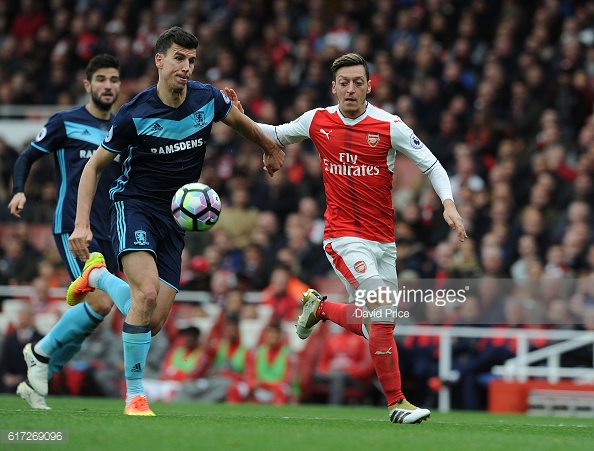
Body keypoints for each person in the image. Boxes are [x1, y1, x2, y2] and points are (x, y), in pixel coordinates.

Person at [229, 53, 466, 424]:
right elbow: (275, 134)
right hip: (343, 237)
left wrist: (448, 205)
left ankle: (320, 308)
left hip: (384, 242)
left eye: (358, 82)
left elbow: (432, 165)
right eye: (344, 82)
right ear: (334, 87)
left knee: (379, 325)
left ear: (370, 85)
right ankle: (397, 404)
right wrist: (240, 118)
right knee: (383, 310)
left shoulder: (390, 126)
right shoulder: (317, 120)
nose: (351, 89)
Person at [66, 26, 284, 416]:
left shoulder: (207, 99)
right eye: (179, 59)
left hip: (176, 218)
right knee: (145, 295)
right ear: (160, 61)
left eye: (192, 60)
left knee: (151, 323)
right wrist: (82, 224)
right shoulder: (135, 114)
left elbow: (239, 122)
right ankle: (135, 395)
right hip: (134, 206)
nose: (186, 67)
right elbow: (93, 168)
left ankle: (96, 277)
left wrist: (269, 147)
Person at [7, 54, 122, 410]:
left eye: (114, 80)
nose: (108, 86)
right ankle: (39, 352)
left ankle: (37, 378)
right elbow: (26, 156)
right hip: (74, 226)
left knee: (95, 315)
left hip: (110, 228)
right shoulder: (65, 122)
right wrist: (19, 189)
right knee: (101, 299)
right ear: (87, 85)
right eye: (101, 79)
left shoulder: (121, 127)